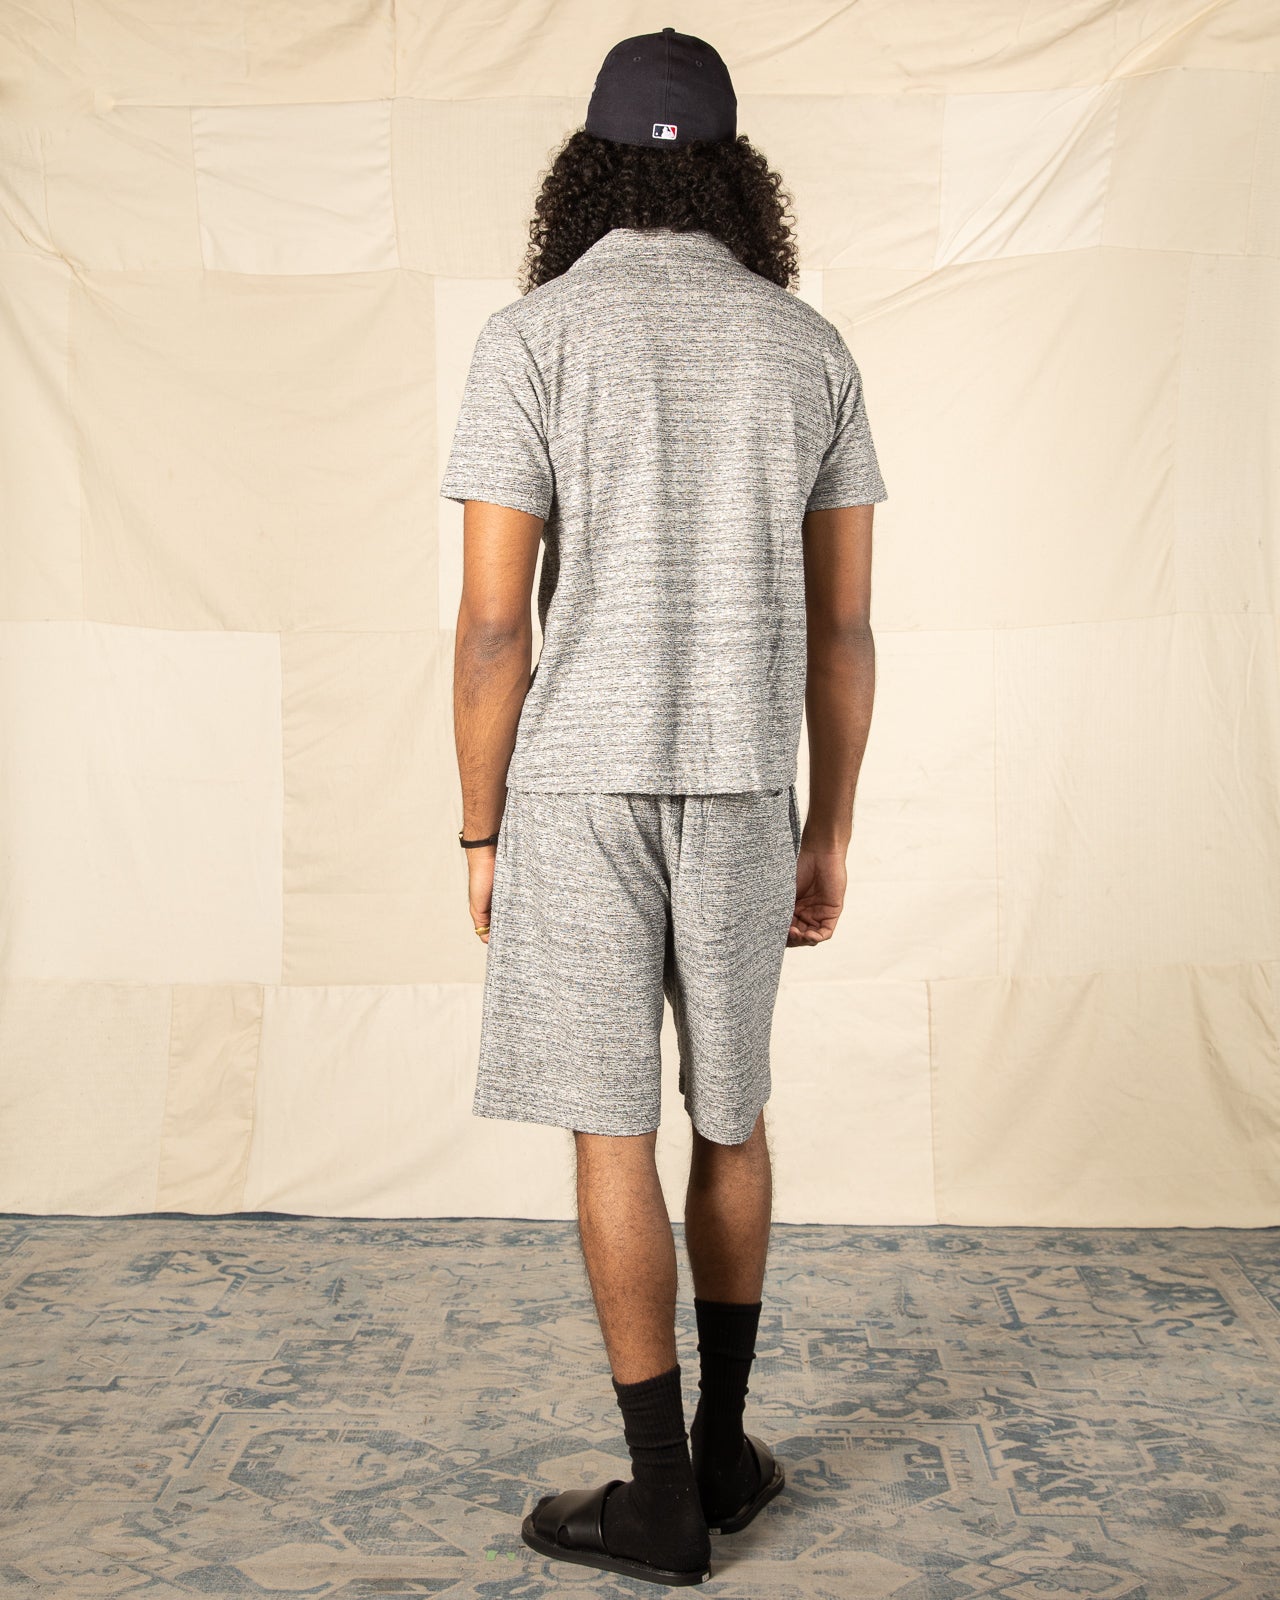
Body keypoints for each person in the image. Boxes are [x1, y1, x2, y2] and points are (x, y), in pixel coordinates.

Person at [440, 25, 887, 1587]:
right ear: (738, 175)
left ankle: (659, 1498)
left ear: (589, 166)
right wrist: (830, 827)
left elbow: (492, 625)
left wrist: (480, 830)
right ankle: (725, 1454)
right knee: (733, 1115)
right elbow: (845, 629)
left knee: (612, 1128)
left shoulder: (532, 336)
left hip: (579, 784)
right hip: (747, 780)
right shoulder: (807, 345)